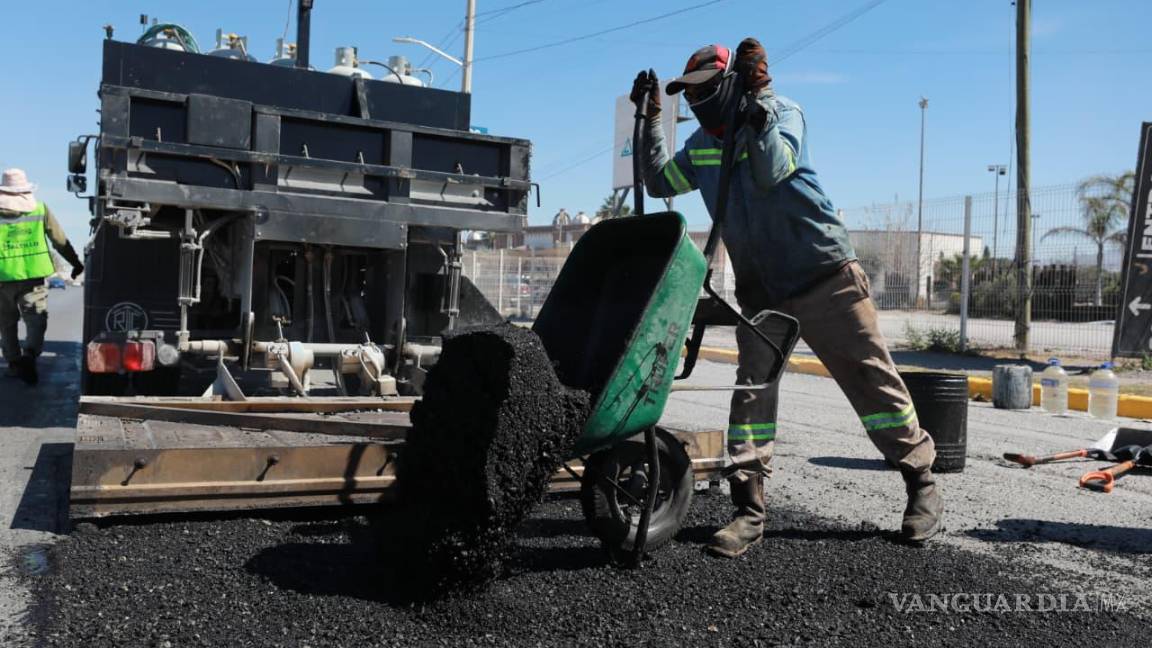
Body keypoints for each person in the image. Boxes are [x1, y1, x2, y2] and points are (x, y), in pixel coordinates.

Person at [630, 39, 943, 556]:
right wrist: (649, 122)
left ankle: (921, 484)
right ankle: (749, 511)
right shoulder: (703, 144)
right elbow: (660, 178)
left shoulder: (782, 113)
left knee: (872, 381)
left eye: (707, 89)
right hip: (764, 290)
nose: (697, 101)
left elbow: (775, 169)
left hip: (824, 274)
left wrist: (759, 106)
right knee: (752, 395)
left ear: (733, 84)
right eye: (688, 94)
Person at [0, 168, 85, 385]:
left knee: (6, 322)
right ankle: (29, 354)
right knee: (36, 318)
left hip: (2, 278)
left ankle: (13, 363)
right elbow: (59, 239)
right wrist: (75, 263)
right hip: (32, 275)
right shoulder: (39, 209)